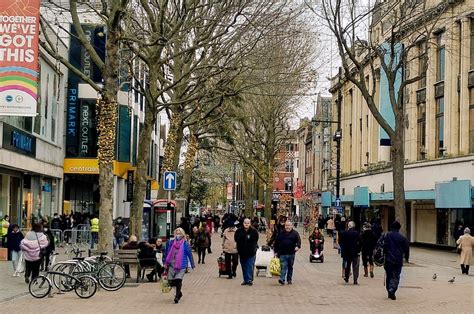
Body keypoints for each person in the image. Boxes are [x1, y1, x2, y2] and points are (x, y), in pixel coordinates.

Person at [163, 228, 195, 304]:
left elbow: (189, 254)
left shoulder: (185, 244)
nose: (178, 235)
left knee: (178, 280)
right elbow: (166, 252)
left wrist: (192, 265)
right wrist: (165, 263)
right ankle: (179, 293)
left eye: (180, 233)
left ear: (182, 234)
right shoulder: (170, 242)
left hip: (181, 265)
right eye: (177, 233)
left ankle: (177, 296)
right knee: (170, 281)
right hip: (171, 264)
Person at [384, 221, 409, 300]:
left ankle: (389, 290)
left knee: (389, 275)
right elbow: (406, 249)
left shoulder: (387, 235)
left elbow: (385, 246)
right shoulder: (402, 238)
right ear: (399, 228)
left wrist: (384, 254)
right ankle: (393, 289)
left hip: (388, 259)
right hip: (398, 259)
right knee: (396, 276)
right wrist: (406, 258)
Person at [234, 218, 259, 286]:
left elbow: (256, 239)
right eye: (245, 223)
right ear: (243, 223)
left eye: (248, 223)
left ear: (250, 223)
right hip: (242, 252)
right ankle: (245, 280)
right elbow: (235, 238)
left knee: (249, 266)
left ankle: (249, 280)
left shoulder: (254, 231)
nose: (246, 224)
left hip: (251, 252)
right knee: (244, 266)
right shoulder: (239, 231)